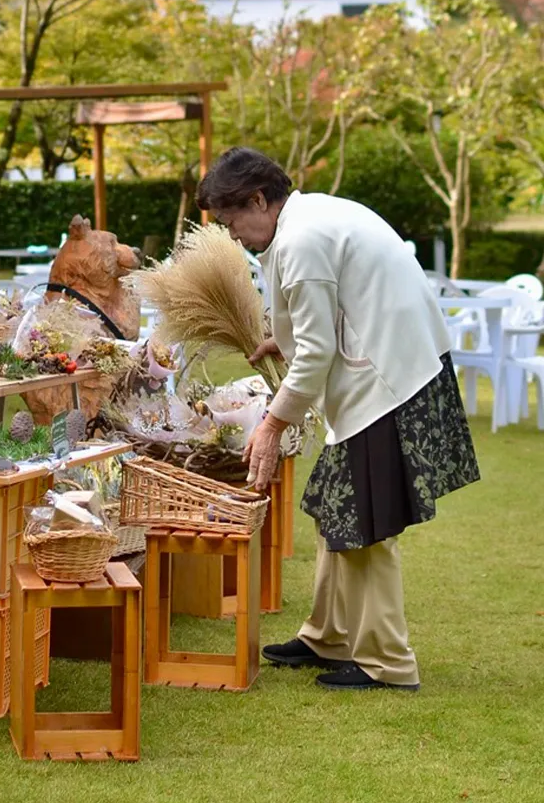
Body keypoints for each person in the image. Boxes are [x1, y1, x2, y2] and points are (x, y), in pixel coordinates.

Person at [196, 147, 479, 692]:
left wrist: (273, 423)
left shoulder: (301, 238)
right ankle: (328, 635)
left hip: (391, 381)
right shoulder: (308, 217)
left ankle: (387, 662)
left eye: (232, 221)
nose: (232, 235)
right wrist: (285, 334)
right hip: (395, 365)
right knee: (338, 508)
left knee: (368, 526)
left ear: (259, 200)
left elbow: (318, 352)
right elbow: (336, 306)